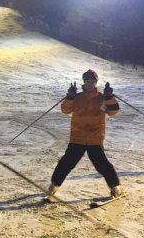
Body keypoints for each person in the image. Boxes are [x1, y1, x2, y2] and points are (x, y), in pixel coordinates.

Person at [47, 68, 123, 199]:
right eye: (87, 81)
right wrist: (70, 97)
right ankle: (54, 185)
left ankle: (115, 186)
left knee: (101, 164)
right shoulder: (77, 97)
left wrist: (109, 97)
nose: (89, 83)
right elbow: (65, 110)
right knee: (67, 162)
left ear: (96, 82)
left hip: (95, 137)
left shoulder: (101, 97)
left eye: (92, 81)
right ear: (83, 82)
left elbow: (113, 111)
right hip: (78, 136)